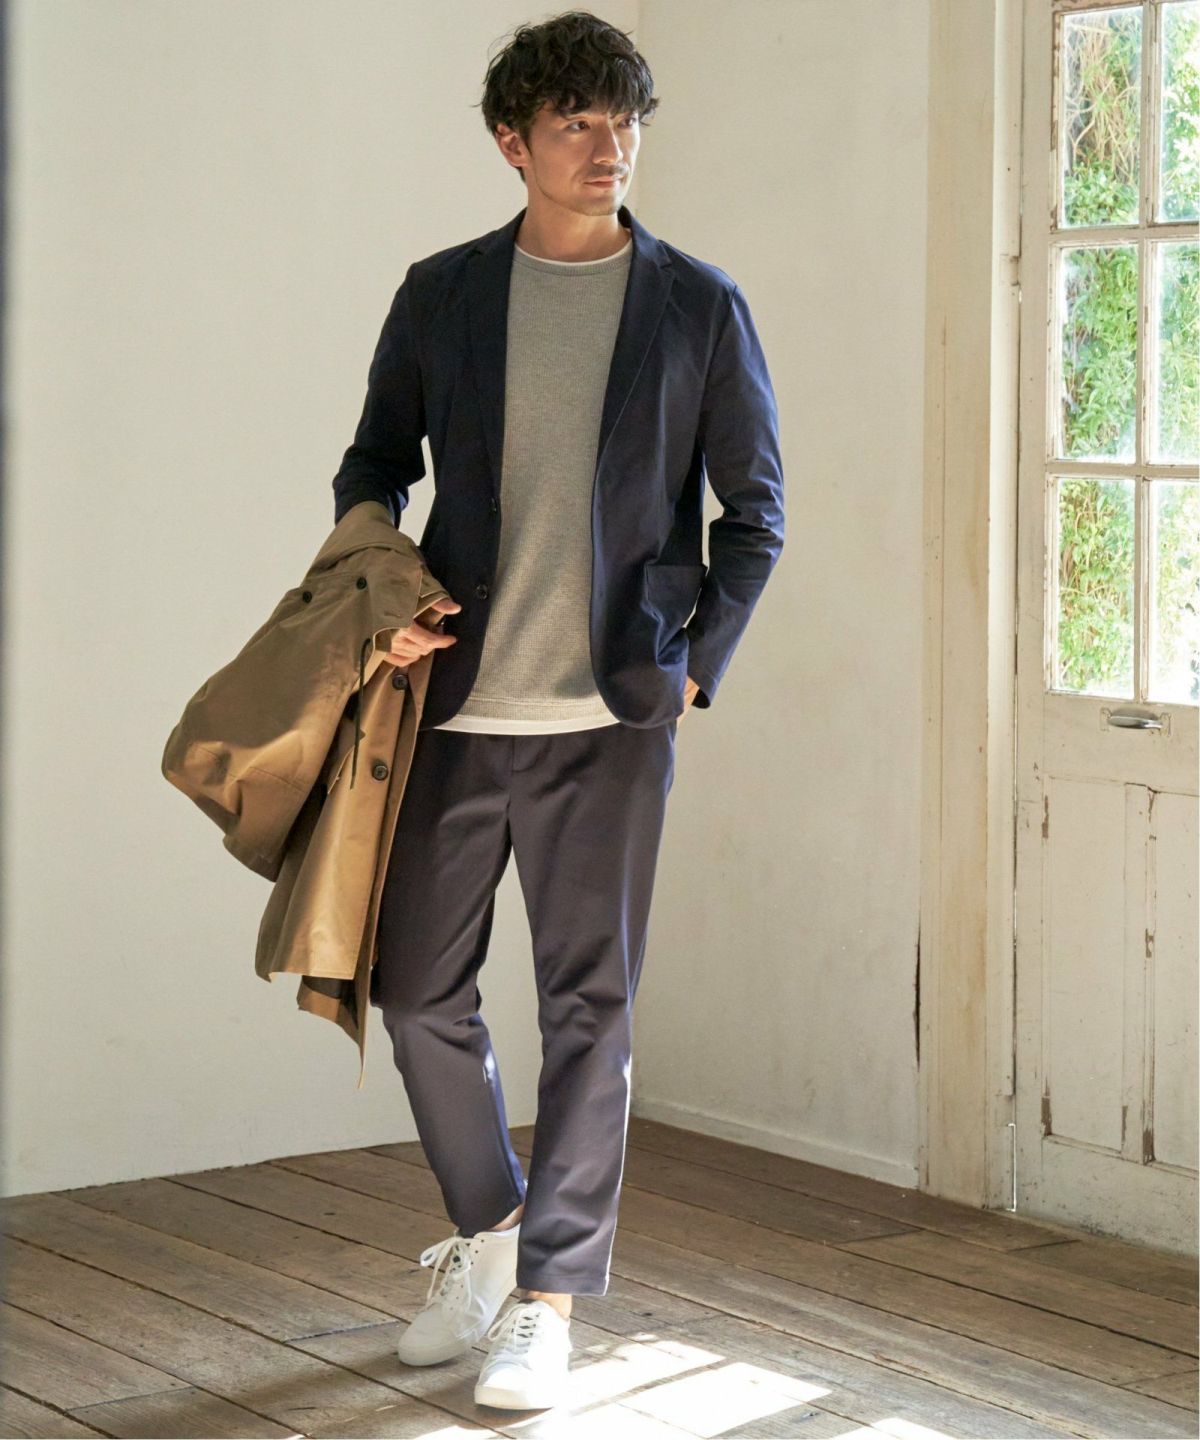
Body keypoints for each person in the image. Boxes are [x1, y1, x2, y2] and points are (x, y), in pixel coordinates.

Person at [330, 8, 784, 1412]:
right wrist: (384, 588)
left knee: (592, 1011)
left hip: (612, 717)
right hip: (455, 709)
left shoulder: (699, 306)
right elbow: (371, 466)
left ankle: (545, 1304)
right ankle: (491, 1233)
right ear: (511, 141)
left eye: (624, 119)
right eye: (576, 122)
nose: (608, 145)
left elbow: (755, 512)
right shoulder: (444, 295)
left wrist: (695, 664)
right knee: (416, 995)